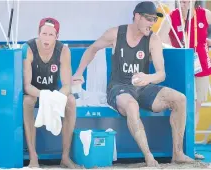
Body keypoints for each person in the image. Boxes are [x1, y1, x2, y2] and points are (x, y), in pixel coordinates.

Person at [73, 1, 194, 167]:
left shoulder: (153, 39)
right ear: (137, 16)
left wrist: (148, 78)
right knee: (132, 105)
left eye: (154, 20)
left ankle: (178, 153)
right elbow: (92, 49)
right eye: (149, 19)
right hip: (118, 87)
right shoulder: (116, 33)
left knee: (180, 99)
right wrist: (78, 73)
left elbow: (161, 74)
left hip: (143, 87)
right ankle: (149, 157)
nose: (152, 23)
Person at [157, 0, 211, 159]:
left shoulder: (204, 14)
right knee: (181, 107)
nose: (184, 2)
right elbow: (158, 39)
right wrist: (170, 47)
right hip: (181, 67)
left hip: (201, 67)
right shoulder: (171, 17)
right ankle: (178, 148)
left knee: (196, 107)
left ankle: (190, 148)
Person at [22, 17, 78, 168]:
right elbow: (27, 86)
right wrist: (45, 96)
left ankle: (65, 157)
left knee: (71, 101)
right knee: (27, 101)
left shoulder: (63, 51)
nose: (46, 38)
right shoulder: (28, 49)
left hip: (53, 93)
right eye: (44, 34)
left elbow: (67, 85)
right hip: (34, 93)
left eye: (50, 35)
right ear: (38, 33)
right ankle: (33, 156)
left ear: (57, 36)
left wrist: (56, 97)